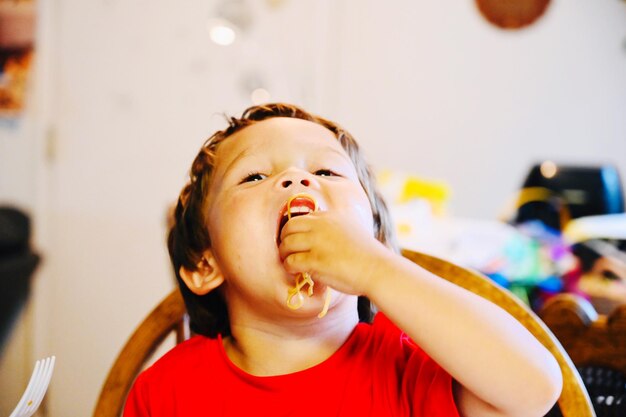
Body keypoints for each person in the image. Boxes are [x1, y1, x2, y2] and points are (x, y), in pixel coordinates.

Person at [123, 103, 562, 417]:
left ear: (371, 235)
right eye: (255, 176)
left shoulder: (409, 369)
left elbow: (534, 390)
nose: (297, 180)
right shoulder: (166, 392)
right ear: (206, 264)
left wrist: (375, 269)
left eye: (326, 172)